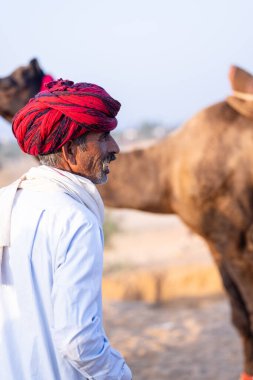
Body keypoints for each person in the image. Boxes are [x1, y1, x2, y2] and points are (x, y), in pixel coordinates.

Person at [0, 79, 132, 380]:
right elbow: (79, 340)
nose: (115, 148)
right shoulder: (76, 220)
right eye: (103, 137)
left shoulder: (5, 202)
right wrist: (119, 374)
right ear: (71, 151)